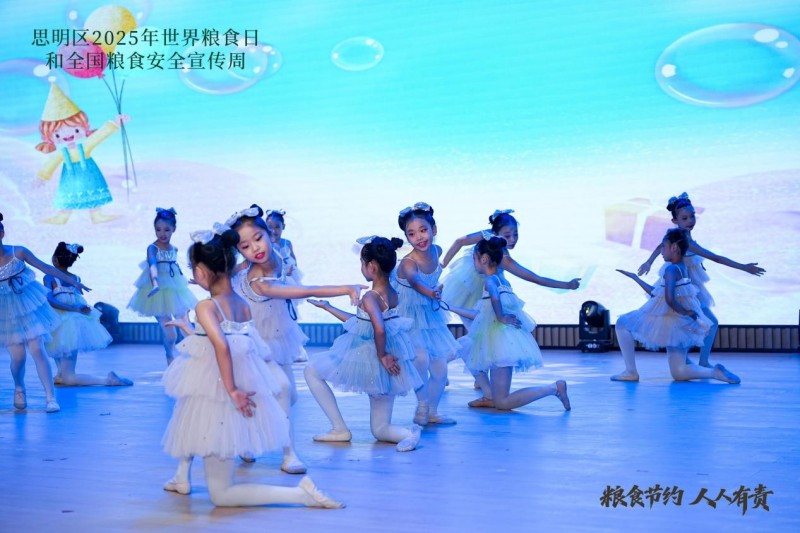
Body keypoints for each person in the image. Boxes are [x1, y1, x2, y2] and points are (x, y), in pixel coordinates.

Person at [161, 224, 343, 509]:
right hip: (220, 392)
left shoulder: (206, 307)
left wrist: (233, 390)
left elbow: (222, 346)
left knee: (221, 494)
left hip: (219, 394)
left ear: (200, 273)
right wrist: (190, 329)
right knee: (190, 418)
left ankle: (299, 494)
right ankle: (180, 476)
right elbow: (234, 345)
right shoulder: (240, 303)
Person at [228, 205, 365, 473]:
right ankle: (289, 454)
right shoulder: (259, 281)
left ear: (270, 234)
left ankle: (246, 435)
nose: (255, 248)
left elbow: (238, 268)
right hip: (253, 340)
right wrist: (345, 288)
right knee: (282, 389)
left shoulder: (278, 254)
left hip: (277, 334)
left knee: (289, 398)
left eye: (258, 238)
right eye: (245, 246)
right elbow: (304, 291)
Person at [441, 209, 580, 400]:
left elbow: (534, 278)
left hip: (480, 298)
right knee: (476, 340)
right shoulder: (497, 254)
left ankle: (478, 381)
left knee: (480, 340)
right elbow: (459, 241)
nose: (513, 239)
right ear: (495, 233)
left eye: (516, 235)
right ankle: (445, 368)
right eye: (507, 235)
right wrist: (441, 266)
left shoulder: (494, 249)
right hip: (469, 295)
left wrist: (566, 285)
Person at [304, 236, 423, 451]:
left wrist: (382, 355)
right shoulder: (391, 293)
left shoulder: (370, 296)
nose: (361, 267)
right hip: (382, 365)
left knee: (311, 370)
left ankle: (339, 428)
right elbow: (362, 323)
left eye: (362, 263)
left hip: (367, 358)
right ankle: (409, 434)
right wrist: (328, 307)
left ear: (372, 266)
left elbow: (379, 328)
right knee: (380, 429)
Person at [637, 193, 765, 367]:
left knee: (692, 322)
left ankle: (690, 360)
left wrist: (649, 262)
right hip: (683, 289)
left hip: (689, 288)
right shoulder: (686, 243)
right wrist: (744, 267)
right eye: (684, 218)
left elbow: (661, 245)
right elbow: (716, 258)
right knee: (704, 322)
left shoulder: (678, 237)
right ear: (675, 221)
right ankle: (697, 361)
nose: (690, 221)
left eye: (692, 216)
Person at [614, 228, 741, 384]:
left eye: (664, 247)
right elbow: (657, 293)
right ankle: (713, 372)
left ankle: (631, 371)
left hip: (670, 319)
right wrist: (636, 278)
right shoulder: (681, 268)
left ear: (674, 248)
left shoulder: (671, 269)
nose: (661, 251)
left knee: (622, 323)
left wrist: (684, 312)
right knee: (678, 372)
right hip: (677, 323)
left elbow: (669, 299)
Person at [0, 213, 90, 412]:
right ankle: (19, 388)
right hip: (6, 312)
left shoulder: (18, 252)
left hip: (28, 305)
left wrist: (74, 282)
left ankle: (50, 398)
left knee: (37, 349)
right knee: (18, 358)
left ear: (2, 233)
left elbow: (46, 267)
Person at [393, 202, 460, 426]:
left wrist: (435, 291)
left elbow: (432, 279)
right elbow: (415, 281)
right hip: (408, 318)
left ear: (434, 230)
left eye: (423, 230)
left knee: (440, 369)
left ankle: (432, 411)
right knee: (420, 360)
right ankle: (421, 405)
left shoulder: (437, 250)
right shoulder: (408, 263)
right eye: (411, 234)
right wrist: (431, 292)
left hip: (429, 317)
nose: (419, 237)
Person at [35, 82, 124, 224]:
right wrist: (42, 177)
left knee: (93, 192)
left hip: (89, 175)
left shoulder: (85, 146)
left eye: (76, 130)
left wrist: (115, 123)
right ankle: (62, 216)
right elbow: (51, 163)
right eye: (57, 134)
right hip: (70, 179)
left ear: (83, 127)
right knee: (68, 196)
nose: (67, 136)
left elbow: (98, 136)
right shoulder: (62, 153)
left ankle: (96, 215)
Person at [45, 242, 131, 387]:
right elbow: (75, 302)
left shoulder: (51, 277)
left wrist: (74, 309)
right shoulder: (74, 279)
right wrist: (76, 308)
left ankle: (107, 380)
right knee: (60, 372)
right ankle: (60, 373)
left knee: (69, 379)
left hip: (67, 325)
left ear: (55, 259)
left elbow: (50, 300)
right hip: (61, 323)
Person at [127, 208, 197, 365]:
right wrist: (155, 283)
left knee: (185, 325)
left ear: (174, 229)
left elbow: (177, 269)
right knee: (170, 334)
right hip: (157, 294)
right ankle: (169, 356)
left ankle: (195, 358)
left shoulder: (174, 249)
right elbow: (152, 265)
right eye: (158, 229)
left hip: (176, 291)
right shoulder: (152, 248)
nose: (162, 233)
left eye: (166, 229)